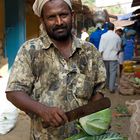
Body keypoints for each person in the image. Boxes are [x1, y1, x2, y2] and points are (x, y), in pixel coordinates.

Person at [5, 0, 106, 139]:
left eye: (63, 15)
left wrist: (93, 121)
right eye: (51, 17)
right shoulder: (30, 50)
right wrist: (42, 111)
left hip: (84, 136)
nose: (59, 22)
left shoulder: (90, 52)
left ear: (72, 15)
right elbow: (14, 92)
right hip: (44, 136)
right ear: (42, 19)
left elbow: (98, 90)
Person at [99, 22, 121, 93]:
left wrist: (100, 57)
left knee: (106, 72)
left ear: (107, 28)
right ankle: (111, 88)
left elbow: (101, 48)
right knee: (113, 72)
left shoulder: (103, 36)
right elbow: (119, 49)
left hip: (105, 57)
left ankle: (107, 85)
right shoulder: (117, 37)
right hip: (113, 57)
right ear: (113, 28)